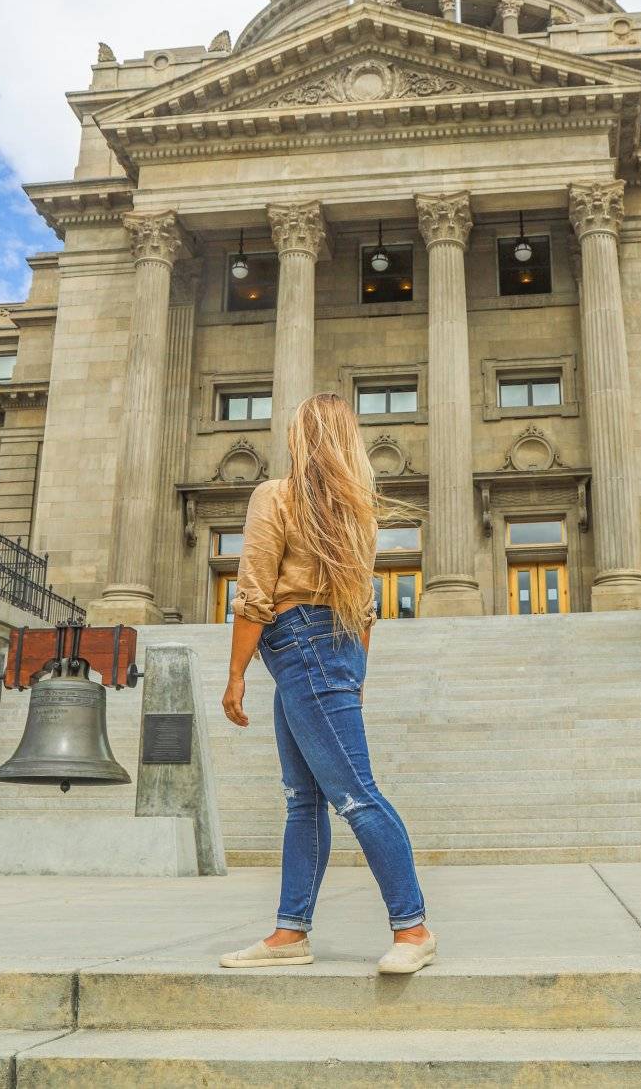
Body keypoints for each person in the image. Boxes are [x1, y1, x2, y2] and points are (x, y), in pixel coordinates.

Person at [219, 392, 436, 975]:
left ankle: (413, 928)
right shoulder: (353, 510)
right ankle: (291, 932)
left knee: (355, 795)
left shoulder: (276, 495)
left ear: (300, 437)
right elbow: (364, 609)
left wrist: (236, 672)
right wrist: (355, 676)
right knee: (303, 799)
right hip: (330, 648)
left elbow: (255, 590)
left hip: (300, 646)